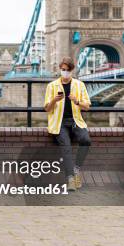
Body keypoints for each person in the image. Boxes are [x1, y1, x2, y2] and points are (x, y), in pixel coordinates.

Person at [44, 56, 91, 191]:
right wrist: (54, 100)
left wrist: (77, 102)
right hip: (59, 123)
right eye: (63, 70)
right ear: (60, 69)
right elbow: (47, 109)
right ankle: (70, 179)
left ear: (72, 70)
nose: (65, 72)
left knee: (86, 140)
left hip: (76, 121)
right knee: (66, 147)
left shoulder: (79, 85)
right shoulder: (52, 86)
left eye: (67, 70)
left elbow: (87, 106)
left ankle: (76, 169)